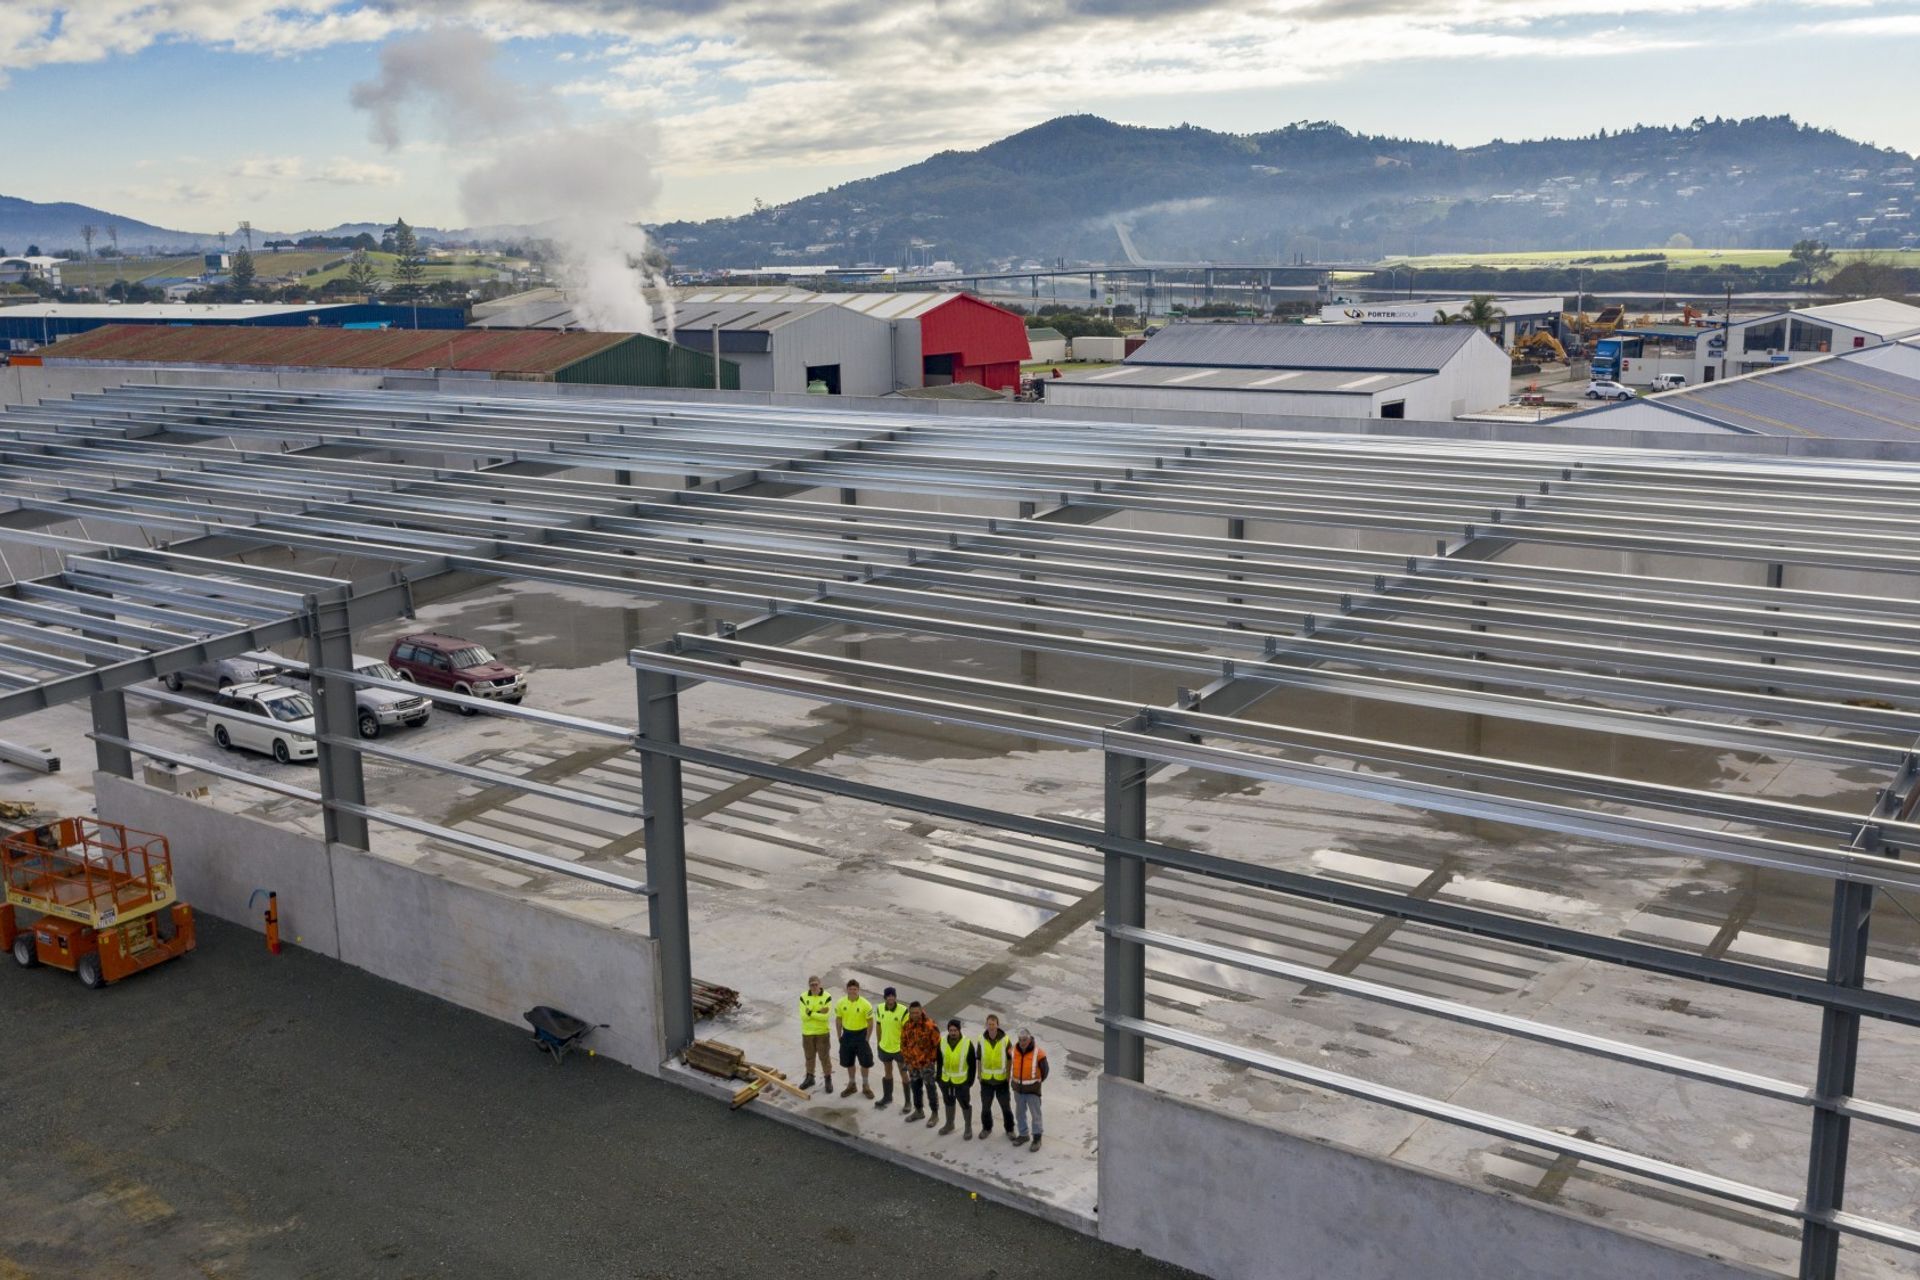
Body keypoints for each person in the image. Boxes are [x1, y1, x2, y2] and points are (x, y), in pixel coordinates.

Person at [899, 1000, 942, 1123]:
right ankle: (919, 1111)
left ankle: (934, 1114)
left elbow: (937, 1046)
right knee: (915, 1088)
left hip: (926, 1065)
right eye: (912, 1013)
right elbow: (903, 1044)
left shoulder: (930, 1026)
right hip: (913, 1065)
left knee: (930, 1089)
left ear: (921, 1011)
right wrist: (908, 1062)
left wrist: (930, 1061)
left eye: (917, 1012)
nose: (914, 1015)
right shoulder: (907, 1025)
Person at [833, 979, 876, 1099]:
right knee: (848, 1062)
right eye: (850, 989)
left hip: (861, 1035)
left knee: (865, 1063)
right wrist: (838, 1035)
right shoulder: (841, 1003)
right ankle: (852, 1085)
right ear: (847, 989)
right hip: (847, 1035)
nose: (853, 991)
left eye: (855, 989)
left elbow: (870, 1022)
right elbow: (838, 1019)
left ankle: (866, 1086)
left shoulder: (865, 1004)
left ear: (858, 990)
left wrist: (867, 1038)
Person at [1009, 1027, 1049, 1150]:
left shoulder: (1039, 1053)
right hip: (1018, 1090)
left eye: (1024, 1039)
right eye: (1020, 1040)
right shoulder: (1013, 1050)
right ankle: (1023, 1134)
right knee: (1020, 1113)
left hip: (1033, 1091)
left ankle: (1037, 1139)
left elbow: (1045, 1071)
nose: (1022, 1042)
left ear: (1030, 1038)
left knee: (1035, 1114)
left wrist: (1036, 1083)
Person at [872, 986, 911, 1110]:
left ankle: (908, 1102)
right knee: (887, 1072)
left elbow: (907, 1031)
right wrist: (879, 1043)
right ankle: (888, 1097)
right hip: (885, 1047)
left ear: (895, 997)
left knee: (904, 1074)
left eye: (892, 996)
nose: (891, 998)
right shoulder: (879, 1009)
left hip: (899, 1049)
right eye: (888, 996)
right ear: (885, 997)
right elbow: (878, 1026)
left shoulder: (903, 1010)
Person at [937, 1017, 976, 1139]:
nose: (952, 1032)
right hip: (946, 1081)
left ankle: (968, 1127)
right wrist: (939, 1078)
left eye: (955, 1030)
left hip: (961, 1082)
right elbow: (939, 1061)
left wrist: (969, 1082)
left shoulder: (967, 1043)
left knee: (964, 1104)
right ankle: (949, 1124)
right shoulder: (942, 1042)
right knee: (948, 1102)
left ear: (959, 1030)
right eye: (950, 1030)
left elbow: (972, 1065)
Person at [976, 1013, 1013, 1138]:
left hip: (1001, 1081)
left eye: (993, 1024)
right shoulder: (981, 1039)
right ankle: (986, 1128)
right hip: (986, 1081)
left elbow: (1010, 1058)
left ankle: (1010, 1129)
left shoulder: (1005, 1039)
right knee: (985, 1108)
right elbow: (979, 1058)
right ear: (986, 1025)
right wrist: (979, 1074)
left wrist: (1008, 1074)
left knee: (1006, 1108)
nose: (991, 1026)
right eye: (989, 1024)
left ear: (997, 1025)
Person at [798, 975, 833, 1093]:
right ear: (809, 985)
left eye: (816, 984)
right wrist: (818, 1012)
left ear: (820, 984)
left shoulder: (827, 997)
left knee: (824, 1057)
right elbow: (803, 1017)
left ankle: (828, 1079)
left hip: (822, 1033)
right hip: (807, 1033)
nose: (814, 987)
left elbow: (825, 1017)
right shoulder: (803, 997)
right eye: (811, 985)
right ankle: (810, 1077)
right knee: (809, 1057)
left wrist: (811, 1013)